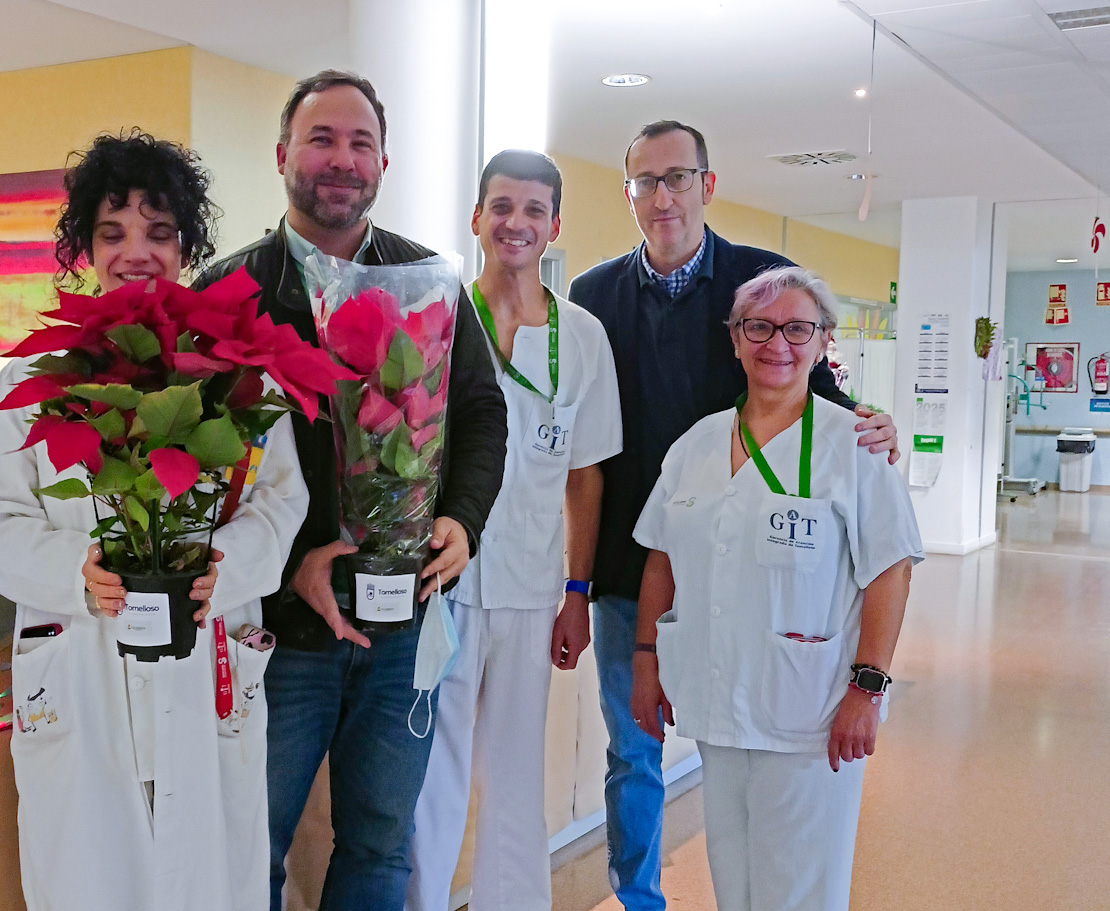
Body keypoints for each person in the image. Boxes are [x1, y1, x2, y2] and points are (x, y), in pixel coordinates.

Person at [0, 131, 308, 911]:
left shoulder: (233, 373)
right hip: (80, 660)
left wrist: (231, 566)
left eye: (159, 231)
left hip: (205, 646)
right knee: (91, 873)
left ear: (187, 245)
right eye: (112, 232)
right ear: (84, 245)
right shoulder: (34, 379)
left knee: (210, 870)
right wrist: (69, 571)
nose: (135, 251)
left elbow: (283, 499)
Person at [567, 120, 900, 910]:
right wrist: (578, 585)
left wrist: (866, 418)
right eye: (646, 181)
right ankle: (638, 894)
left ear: (706, 185)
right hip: (637, 557)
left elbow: (799, 363)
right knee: (635, 748)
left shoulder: (758, 278)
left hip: (748, 561)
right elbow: (580, 442)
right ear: (629, 194)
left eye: (677, 177)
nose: (662, 196)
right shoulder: (592, 296)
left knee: (747, 746)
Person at [194, 71, 507, 911]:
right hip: (277, 629)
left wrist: (463, 522)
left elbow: (480, 413)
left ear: (384, 161)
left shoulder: (430, 282)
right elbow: (198, 462)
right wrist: (289, 562)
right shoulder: (228, 293)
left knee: (379, 840)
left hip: (402, 623)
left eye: (359, 143)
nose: (342, 159)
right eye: (322, 140)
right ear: (283, 155)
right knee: (249, 839)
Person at [630, 266, 922, 911]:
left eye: (797, 328)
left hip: (811, 711)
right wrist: (646, 664)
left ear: (823, 342)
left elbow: (891, 569)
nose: (776, 343)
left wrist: (866, 689)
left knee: (801, 889)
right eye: (757, 327)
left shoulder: (854, 445)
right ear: (735, 339)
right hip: (716, 699)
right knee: (734, 883)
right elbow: (660, 558)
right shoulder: (697, 444)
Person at [406, 150, 621, 911]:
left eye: (534, 210)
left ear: (555, 224)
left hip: (533, 587)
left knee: (515, 773)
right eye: (501, 206)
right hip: (445, 585)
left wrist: (576, 590)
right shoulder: (435, 319)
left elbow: (585, 474)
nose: (516, 223)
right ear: (477, 218)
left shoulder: (584, 337)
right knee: (433, 776)